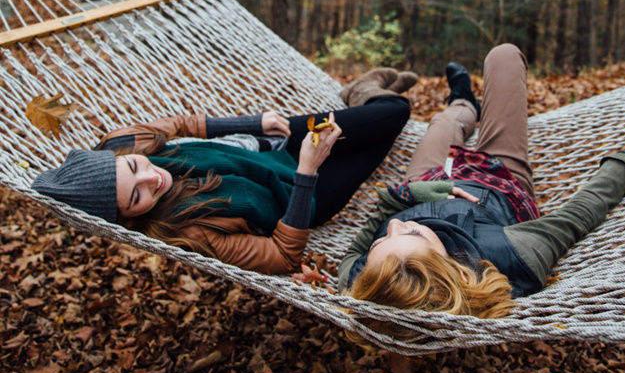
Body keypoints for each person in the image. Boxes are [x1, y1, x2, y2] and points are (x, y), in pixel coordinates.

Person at [338, 44, 625, 320]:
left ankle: (462, 99)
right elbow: (579, 214)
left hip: (426, 182)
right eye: (412, 233)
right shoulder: (515, 255)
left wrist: (409, 196)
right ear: (460, 272)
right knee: (504, 55)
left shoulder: (365, 281)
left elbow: (360, 244)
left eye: (378, 245)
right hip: (499, 179)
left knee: (443, 124)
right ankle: (466, 102)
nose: (395, 226)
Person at [32, 68, 417, 275]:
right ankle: (363, 91)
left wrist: (254, 123)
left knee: (391, 113)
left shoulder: (123, 142)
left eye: (135, 169)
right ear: (125, 219)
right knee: (394, 117)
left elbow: (182, 125)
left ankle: (362, 93)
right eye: (137, 196)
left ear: (118, 157)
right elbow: (283, 257)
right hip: (309, 194)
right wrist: (307, 172)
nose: (153, 179)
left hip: (276, 144)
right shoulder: (191, 231)